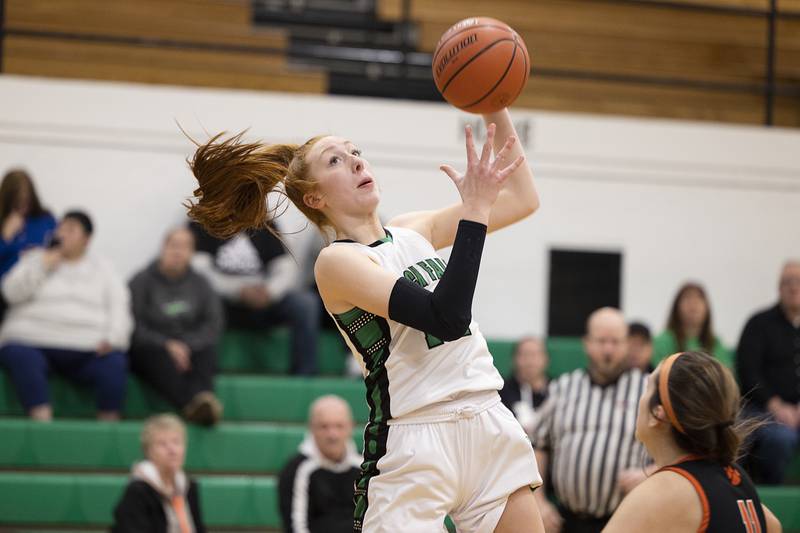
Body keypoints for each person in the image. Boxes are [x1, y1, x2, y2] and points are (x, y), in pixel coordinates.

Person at [185, 108, 544, 532]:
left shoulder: (414, 229)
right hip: (415, 440)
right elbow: (445, 317)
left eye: (356, 151)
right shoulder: (336, 263)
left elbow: (523, 199)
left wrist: (493, 104)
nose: (356, 160)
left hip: (487, 418)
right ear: (315, 199)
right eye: (335, 160)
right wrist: (475, 211)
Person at [603, 351, 782, 533]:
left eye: (646, 388)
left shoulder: (664, 492)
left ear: (657, 413)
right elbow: (774, 525)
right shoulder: (737, 480)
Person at [0, 211, 131, 421]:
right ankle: (42, 424)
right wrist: (43, 265)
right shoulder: (35, 258)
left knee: (114, 363)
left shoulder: (104, 268)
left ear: (86, 239)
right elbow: (9, 293)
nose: (62, 234)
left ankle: (108, 432)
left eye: (70, 229)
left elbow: (120, 306)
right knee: (21, 356)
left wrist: (113, 338)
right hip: (32, 340)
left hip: (86, 346)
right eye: (60, 228)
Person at [533, 307, 649, 533]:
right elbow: (538, 444)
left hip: (625, 522)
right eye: (601, 341)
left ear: (627, 345)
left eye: (616, 341)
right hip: (567, 521)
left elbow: (676, 453)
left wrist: (649, 473)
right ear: (586, 343)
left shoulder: (646, 390)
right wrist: (538, 500)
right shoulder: (564, 387)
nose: (608, 349)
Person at [189, 219, 320, 376]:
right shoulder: (204, 222)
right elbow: (200, 271)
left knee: (305, 303)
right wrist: (238, 291)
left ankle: (304, 376)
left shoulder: (265, 225)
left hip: (263, 301)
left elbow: (285, 268)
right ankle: (204, 374)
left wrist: (269, 292)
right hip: (225, 304)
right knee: (205, 301)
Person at [128, 227, 224, 426]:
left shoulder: (202, 284)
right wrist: (167, 344)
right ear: (163, 248)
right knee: (154, 356)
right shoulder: (141, 281)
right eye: (174, 246)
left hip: (191, 345)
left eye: (185, 247)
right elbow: (133, 326)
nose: (178, 252)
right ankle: (195, 404)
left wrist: (186, 345)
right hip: (154, 345)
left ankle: (203, 399)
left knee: (207, 351)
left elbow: (213, 324)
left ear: (192, 252)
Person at [737, 260, 800, 485]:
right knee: (780, 439)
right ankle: (773, 497)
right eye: (788, 282)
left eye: (798, 282)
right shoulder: (758, 324)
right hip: (764, 410)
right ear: (779, 287)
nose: (794, 287)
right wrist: (776, 405)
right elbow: (748, 372)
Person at [278, 395, 362, 533]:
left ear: (351, 427)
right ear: (312, 428)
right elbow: (296, 527)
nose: (332, 435)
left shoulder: (364, 466)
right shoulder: (296, 470)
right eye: (324, 426)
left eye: (339, 426)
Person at [112, 413, 206, 533]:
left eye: (177, 442)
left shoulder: (189, 486)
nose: (172, 450)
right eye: (162, 444)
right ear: (148, 452)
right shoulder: (138, 491)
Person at [653, 282, 733, 369]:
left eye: (699, 298)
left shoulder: (716, 343)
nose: (693, 304)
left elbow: (725, 376)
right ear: (676, 307)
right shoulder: (663, 341)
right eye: (687, 298)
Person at [0, 169, 56, 280]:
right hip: (6, 286)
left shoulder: (46, 219)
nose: (23, 205)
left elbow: (60, 249)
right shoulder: (3, 221)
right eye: (17, 201)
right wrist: (5, 237)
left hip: (40, 282)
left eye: (27, 200)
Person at [499, 336, 549, 435]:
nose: (530, 361)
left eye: (535, 355)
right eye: (524, 355)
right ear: (514, 359)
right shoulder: (501, 391)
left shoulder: (556, 390)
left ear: (546, 359)